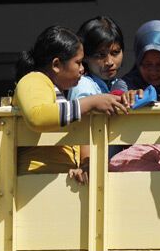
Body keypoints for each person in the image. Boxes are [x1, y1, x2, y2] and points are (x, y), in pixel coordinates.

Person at [14, 25, 127, 182]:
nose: (82, 69)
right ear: (56, 65)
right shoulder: (33, 80)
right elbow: (37, 116)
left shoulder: (55, 89)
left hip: (57, 182)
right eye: (78, 63)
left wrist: (84, 164)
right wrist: (91, 102)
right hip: (34, 183)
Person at [70, 16, 129, 100]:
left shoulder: (117, 84)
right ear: (85, 56)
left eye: (115, 52)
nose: (109, 62)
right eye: (100, 55)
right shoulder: (82, 85)